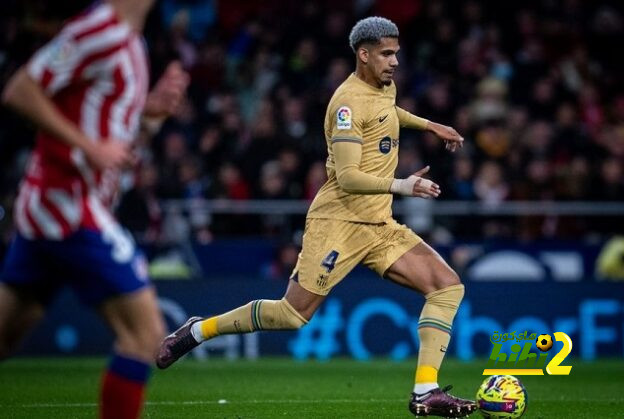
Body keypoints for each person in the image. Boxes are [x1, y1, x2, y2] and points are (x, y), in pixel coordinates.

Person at [157, 16, 476, 417]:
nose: (396, 61)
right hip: (338, 222)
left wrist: (430, 125)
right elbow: (347, 177)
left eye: (397, 53)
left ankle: (425, 392)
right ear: (363, 54)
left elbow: (390, 112)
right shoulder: (345, 104)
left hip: (379, 225)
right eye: (387, 54)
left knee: (447, 287)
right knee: (292, 314)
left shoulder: (384, 87)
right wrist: (402, 186)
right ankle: (198, 330)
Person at [0, 1, 189, 418]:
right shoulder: (99, 31)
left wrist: (149, 118)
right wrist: (88, 148)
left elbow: (112, 141)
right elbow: (20, 90)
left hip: (56, 208)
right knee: (145, 335)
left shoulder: (132, 45)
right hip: (68, 206)